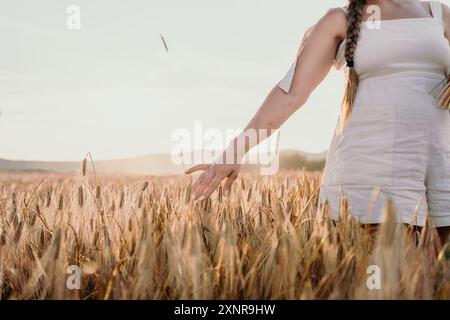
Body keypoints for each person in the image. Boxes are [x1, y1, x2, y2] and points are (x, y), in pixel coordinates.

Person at [186, 0, 450, 245]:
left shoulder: (438, 13)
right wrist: (235, 150)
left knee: (438, 279)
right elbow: (291, 94)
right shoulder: (340, 20)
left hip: (441, 165)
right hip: (373, 170)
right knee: (387, 282)